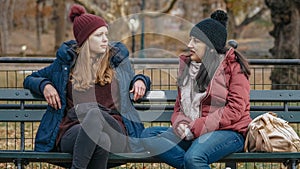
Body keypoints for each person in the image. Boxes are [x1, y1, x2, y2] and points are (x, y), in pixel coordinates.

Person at [23, 4, 151, 169]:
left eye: (106, 34)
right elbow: (30, 78)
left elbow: (135, 78)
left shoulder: (116, 62)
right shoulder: (66, 65)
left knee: (95, 115)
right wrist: (45, 85)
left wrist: (140, 80)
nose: (106, 39)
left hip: (115, 129)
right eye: (99, 35)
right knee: (100, 138)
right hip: (73, 129)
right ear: (85, 39)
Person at [141, 10, 252, 169]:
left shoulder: (233, 67)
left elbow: (235, 109)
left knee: (194, 158)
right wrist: (180, 124)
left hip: (229, 133)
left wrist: (194, 128)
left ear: (210, 47)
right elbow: (179, 107)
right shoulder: (187, 68)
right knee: (148, 136)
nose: (189, 45)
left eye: (196, 41)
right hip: (191, 132)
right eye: (190, 40)